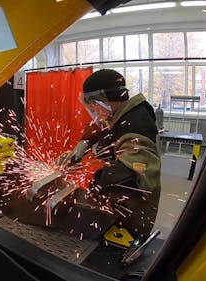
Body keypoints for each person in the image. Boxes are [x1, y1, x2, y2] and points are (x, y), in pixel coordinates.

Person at [60, 69, 161, 241]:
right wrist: (75, 155)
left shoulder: (136, 125)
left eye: (93, 104)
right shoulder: (118, 114)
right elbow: (97, 129)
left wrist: (89, 174)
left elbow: (132, 177)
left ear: (105, 100)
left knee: (116, 250)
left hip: (132, 213)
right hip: (114, 204)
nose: (93, 110)